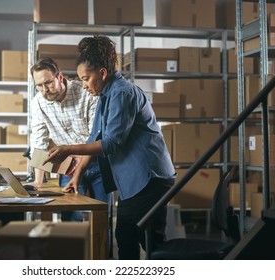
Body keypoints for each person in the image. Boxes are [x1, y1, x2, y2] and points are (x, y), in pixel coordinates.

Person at [43, 35, 176, 260]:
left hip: (148, 178)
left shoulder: (122, 93)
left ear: (102, 73)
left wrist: (67, 149)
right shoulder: (106, 95)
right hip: (134, 180)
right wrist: (77, 175)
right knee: (127, 237)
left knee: (147, 241)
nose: (84, 85)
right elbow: (94, 137)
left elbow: (112, 142)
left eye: (86, 78)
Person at [29, 57, 112, 223]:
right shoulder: (38, 103)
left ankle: (104, 250)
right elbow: (39, 141)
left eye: (48, 83)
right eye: (39, 85)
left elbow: (95, 135)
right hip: (69, 166)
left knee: (103, 219)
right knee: (70, 217)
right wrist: (38, 180)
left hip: (98, 163)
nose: (44, 90)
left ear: (60, 77)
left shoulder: (85, 93)